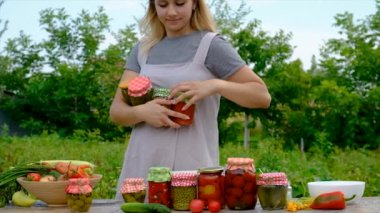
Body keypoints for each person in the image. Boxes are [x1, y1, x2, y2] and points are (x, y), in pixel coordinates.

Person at [109, 0, 271, 200]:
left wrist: (214, 85)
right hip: (143, 164)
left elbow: (261, 96)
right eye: (162, 5)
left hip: (192, 166)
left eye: (179, 3)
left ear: (194, 4)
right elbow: (116, 111)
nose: (171, 12)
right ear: (153, 7)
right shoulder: (143, 50)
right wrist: (141, 112)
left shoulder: (212, 45)